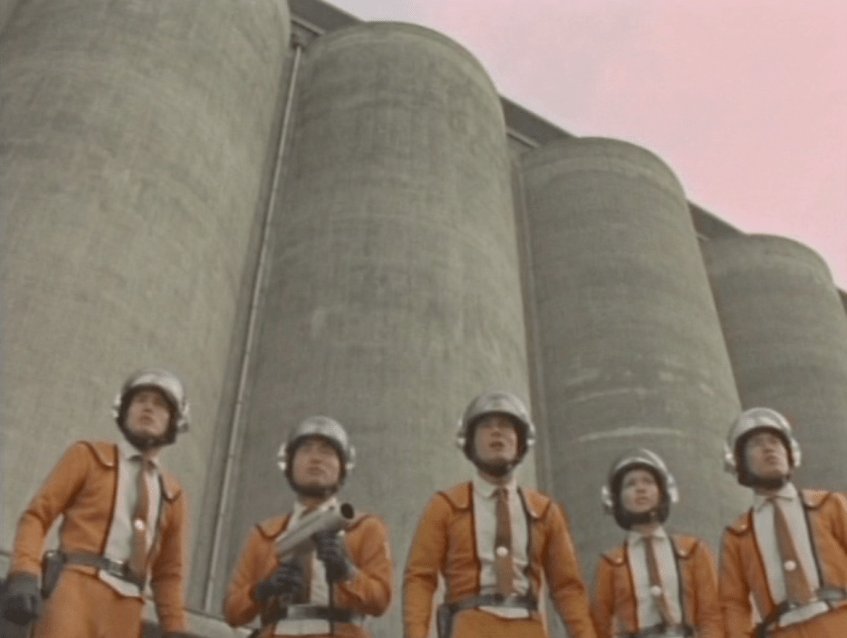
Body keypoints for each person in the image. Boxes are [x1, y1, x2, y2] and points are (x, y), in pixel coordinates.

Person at [2, 368, 192, 637]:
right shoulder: (88, 456)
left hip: (127, 612)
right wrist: (24, 572)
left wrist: (176, 628)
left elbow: (168, 574)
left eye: (160, 404)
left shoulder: (172, 493)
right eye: (140, 400)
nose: (148, 408)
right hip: (74, 594)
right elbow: (37, 516)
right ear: (124, 411)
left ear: (175, 421)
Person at [403, 390, 597, 638]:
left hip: (528, 627)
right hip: (469, 626)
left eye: (506, 425)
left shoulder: (545, 511)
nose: (496, 432)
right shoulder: (446, 505)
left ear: (521, 441)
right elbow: (420, 578)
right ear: (470, 442)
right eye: (486, 426)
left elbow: (568, 589)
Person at [223, 416, 393, 638]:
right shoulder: (264, 535)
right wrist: (264, 589)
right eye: (305, 449)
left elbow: (381, 601)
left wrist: (346, 572)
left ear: (343, 466)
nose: (315, 458)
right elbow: (232, 612)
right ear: (289, 462)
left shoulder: (364, 528)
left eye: (327, 451)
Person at [719, 407, 847, 637]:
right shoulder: (738, 534)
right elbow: (733, 604)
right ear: (740, 462)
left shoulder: (828, 504)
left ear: (790, 453)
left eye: (775, 442)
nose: (769, 448)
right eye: (756, 444)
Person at [591, 448, 723, 638]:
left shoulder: (693, 550)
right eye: (630, 484)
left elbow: (711, 614)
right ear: (617, 498)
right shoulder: (610, 563)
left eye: (648, 481)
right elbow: (599, 624)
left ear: (663, 492)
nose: (640, 488)